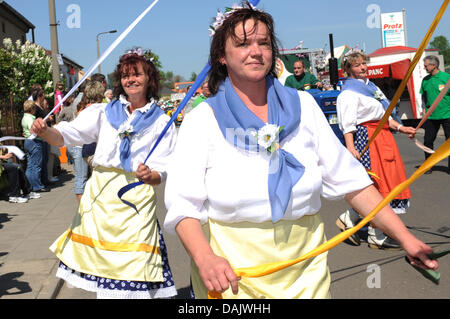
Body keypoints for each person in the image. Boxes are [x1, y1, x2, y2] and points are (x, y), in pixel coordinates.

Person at [163, 5, 438, 299]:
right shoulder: (202, 120)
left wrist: (407, 239)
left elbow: (352, 182)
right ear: (221, 55)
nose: (255, 51)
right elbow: (184, 206)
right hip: (232, 276)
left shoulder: (305, 107)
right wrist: (205, 258)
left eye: (263, 42)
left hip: (307, 274)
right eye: (242, 44)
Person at [30, 50, 178, 299]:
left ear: (149, 78)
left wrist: (149, 174)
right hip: (100, 198)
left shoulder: (162, 122)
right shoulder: (103, 112)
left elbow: (163, 170)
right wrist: (45, 132)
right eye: (125, 75)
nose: (130, 80)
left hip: (135, 201)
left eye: (136, 74)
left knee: (133, 272)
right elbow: (67, 135)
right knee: (104, 276)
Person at [336, 51, 417, 249]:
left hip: (383, 137)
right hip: (367, 138)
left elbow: (385, 115)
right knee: (375, 184)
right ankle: (375, 234)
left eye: (364, 64)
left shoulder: (371, 88)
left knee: (388, 180)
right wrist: (351, 147)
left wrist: (400, 127)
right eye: (357, 65)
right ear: (348, 69)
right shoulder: (348, 93)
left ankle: (351, 217)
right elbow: (347, 123)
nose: (363, 68)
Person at [420, 55, 450, 174]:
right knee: (427, 141)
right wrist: (423, 108)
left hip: (447, 115)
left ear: (434, 65)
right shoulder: (425, 80)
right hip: (431, 116)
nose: (424, 67)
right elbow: (423, 96)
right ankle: (428, 165)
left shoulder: (446, 77)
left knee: (449, 142)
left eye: (426, 65)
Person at [22, 100, 49, 194]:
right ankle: (37, 186)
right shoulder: (30, 119)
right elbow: (33, 131)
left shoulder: (24, 117)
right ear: (32, 109)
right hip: (34, 141)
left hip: (28, 142)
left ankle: (29, 185)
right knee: (36, 165)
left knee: (30, 165)